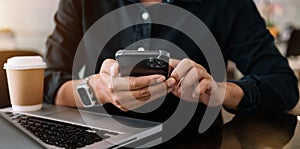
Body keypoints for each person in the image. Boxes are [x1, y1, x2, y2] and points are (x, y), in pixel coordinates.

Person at [44, 0, 299, 146]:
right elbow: (46, 82)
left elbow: (283, 85)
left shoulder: (227, 4)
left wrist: (221, 91)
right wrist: (96, 89)